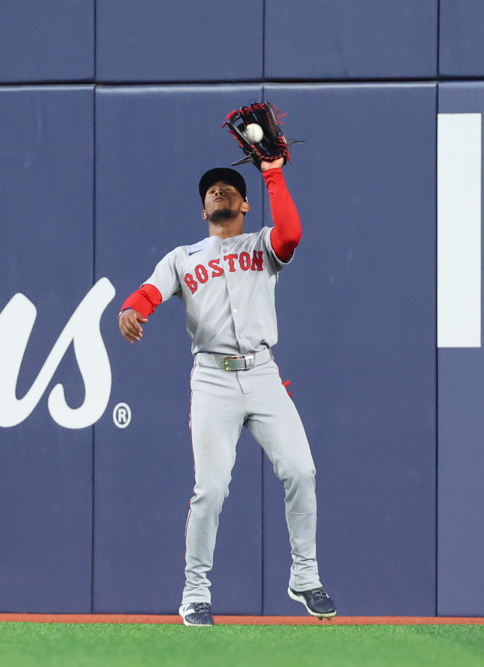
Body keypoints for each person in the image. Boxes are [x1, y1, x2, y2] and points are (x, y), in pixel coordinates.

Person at [117, 158, 335, 627]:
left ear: (244, 203)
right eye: (212, 190)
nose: (219, 191)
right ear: (203, 209)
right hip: (213, 379)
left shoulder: (262, 244)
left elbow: (291, 234)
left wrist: (273, 173)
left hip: (262, 374)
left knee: (301, 469)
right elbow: (149, 293)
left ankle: (305, 575)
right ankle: (195, 594)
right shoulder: (182, 257)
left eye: (229, 188)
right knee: (211, 490)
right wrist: (131, 310)